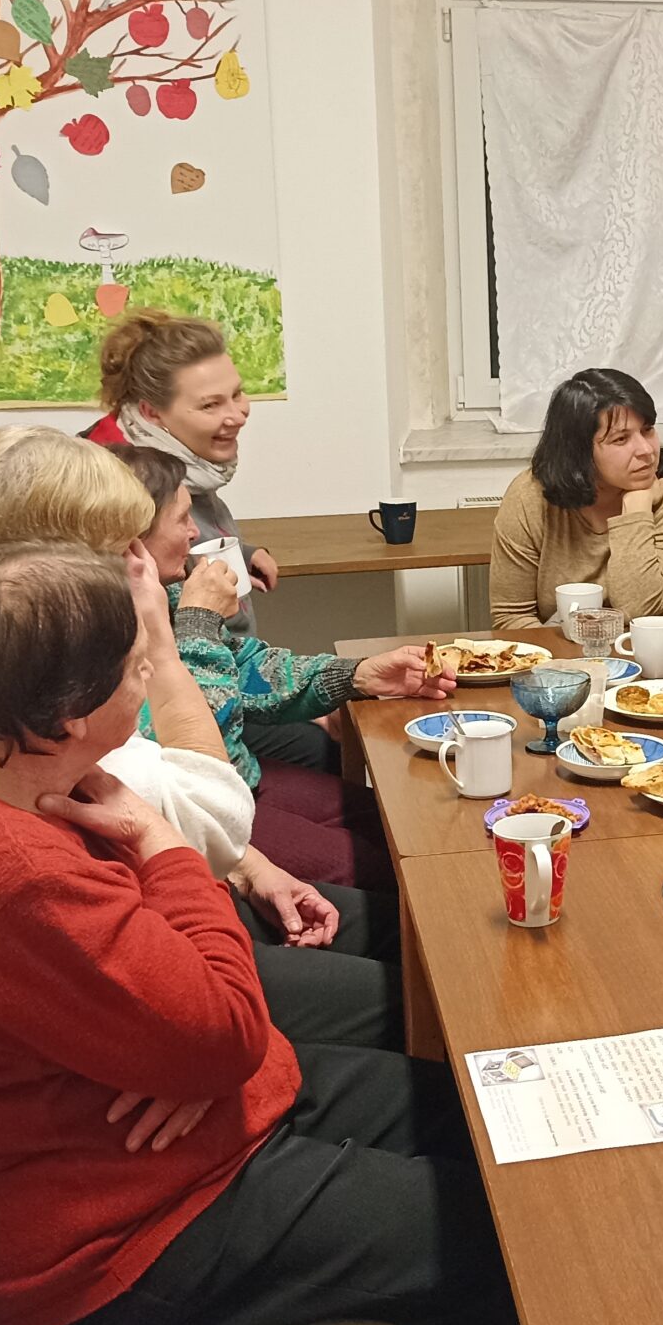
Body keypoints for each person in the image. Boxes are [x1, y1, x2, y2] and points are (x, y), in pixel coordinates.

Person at [0, 545, 567, 1325]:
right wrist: (165, 848)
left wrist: (188, 1040)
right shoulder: (0, 868)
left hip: (135, 1123)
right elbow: (219, 1024)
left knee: (471, 1117)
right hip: (104, 1233)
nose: (152, 672)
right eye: (135, 663)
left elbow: (197, 1016)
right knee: (493, 1235)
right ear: (61, 715)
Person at [0, 429, 415, 1041]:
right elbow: (215, 811)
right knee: (407, 947)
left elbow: (204, 812)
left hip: (183, 893)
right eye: (123, 544)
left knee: (384, 884)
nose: (142, 559)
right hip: (171, 927)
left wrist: (249, 864)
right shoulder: (63, 693)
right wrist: (170, 639)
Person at [107, 441, 422, 1051]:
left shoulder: (162, 594)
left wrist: (356, 676)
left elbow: (248, 670)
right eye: (182, 518)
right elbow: (197, 761)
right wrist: (198, 624)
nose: (195, 532)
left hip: (235, 801)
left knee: (395, 820)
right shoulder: (115, 628)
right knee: (391, 874)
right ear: (133, 541)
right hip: (215, 824)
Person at [82, 308, 334, 770]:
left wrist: (242, 552)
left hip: (222, 672)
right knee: (321, 747)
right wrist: (290, 707)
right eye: (210, 405)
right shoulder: (122, 486)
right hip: (178, 714)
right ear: (151, 412)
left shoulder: (176, 457)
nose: (237, 415)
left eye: (237, 394)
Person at [489, 367, 663, 628]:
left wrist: (636, 511)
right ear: (579, 451)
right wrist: (559, 655)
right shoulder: (530, 496)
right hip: (561, 650)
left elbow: (639, 610)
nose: (646, 450)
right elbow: (511, 615)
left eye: (647, 430)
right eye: (621, 439)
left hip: (661, 649)